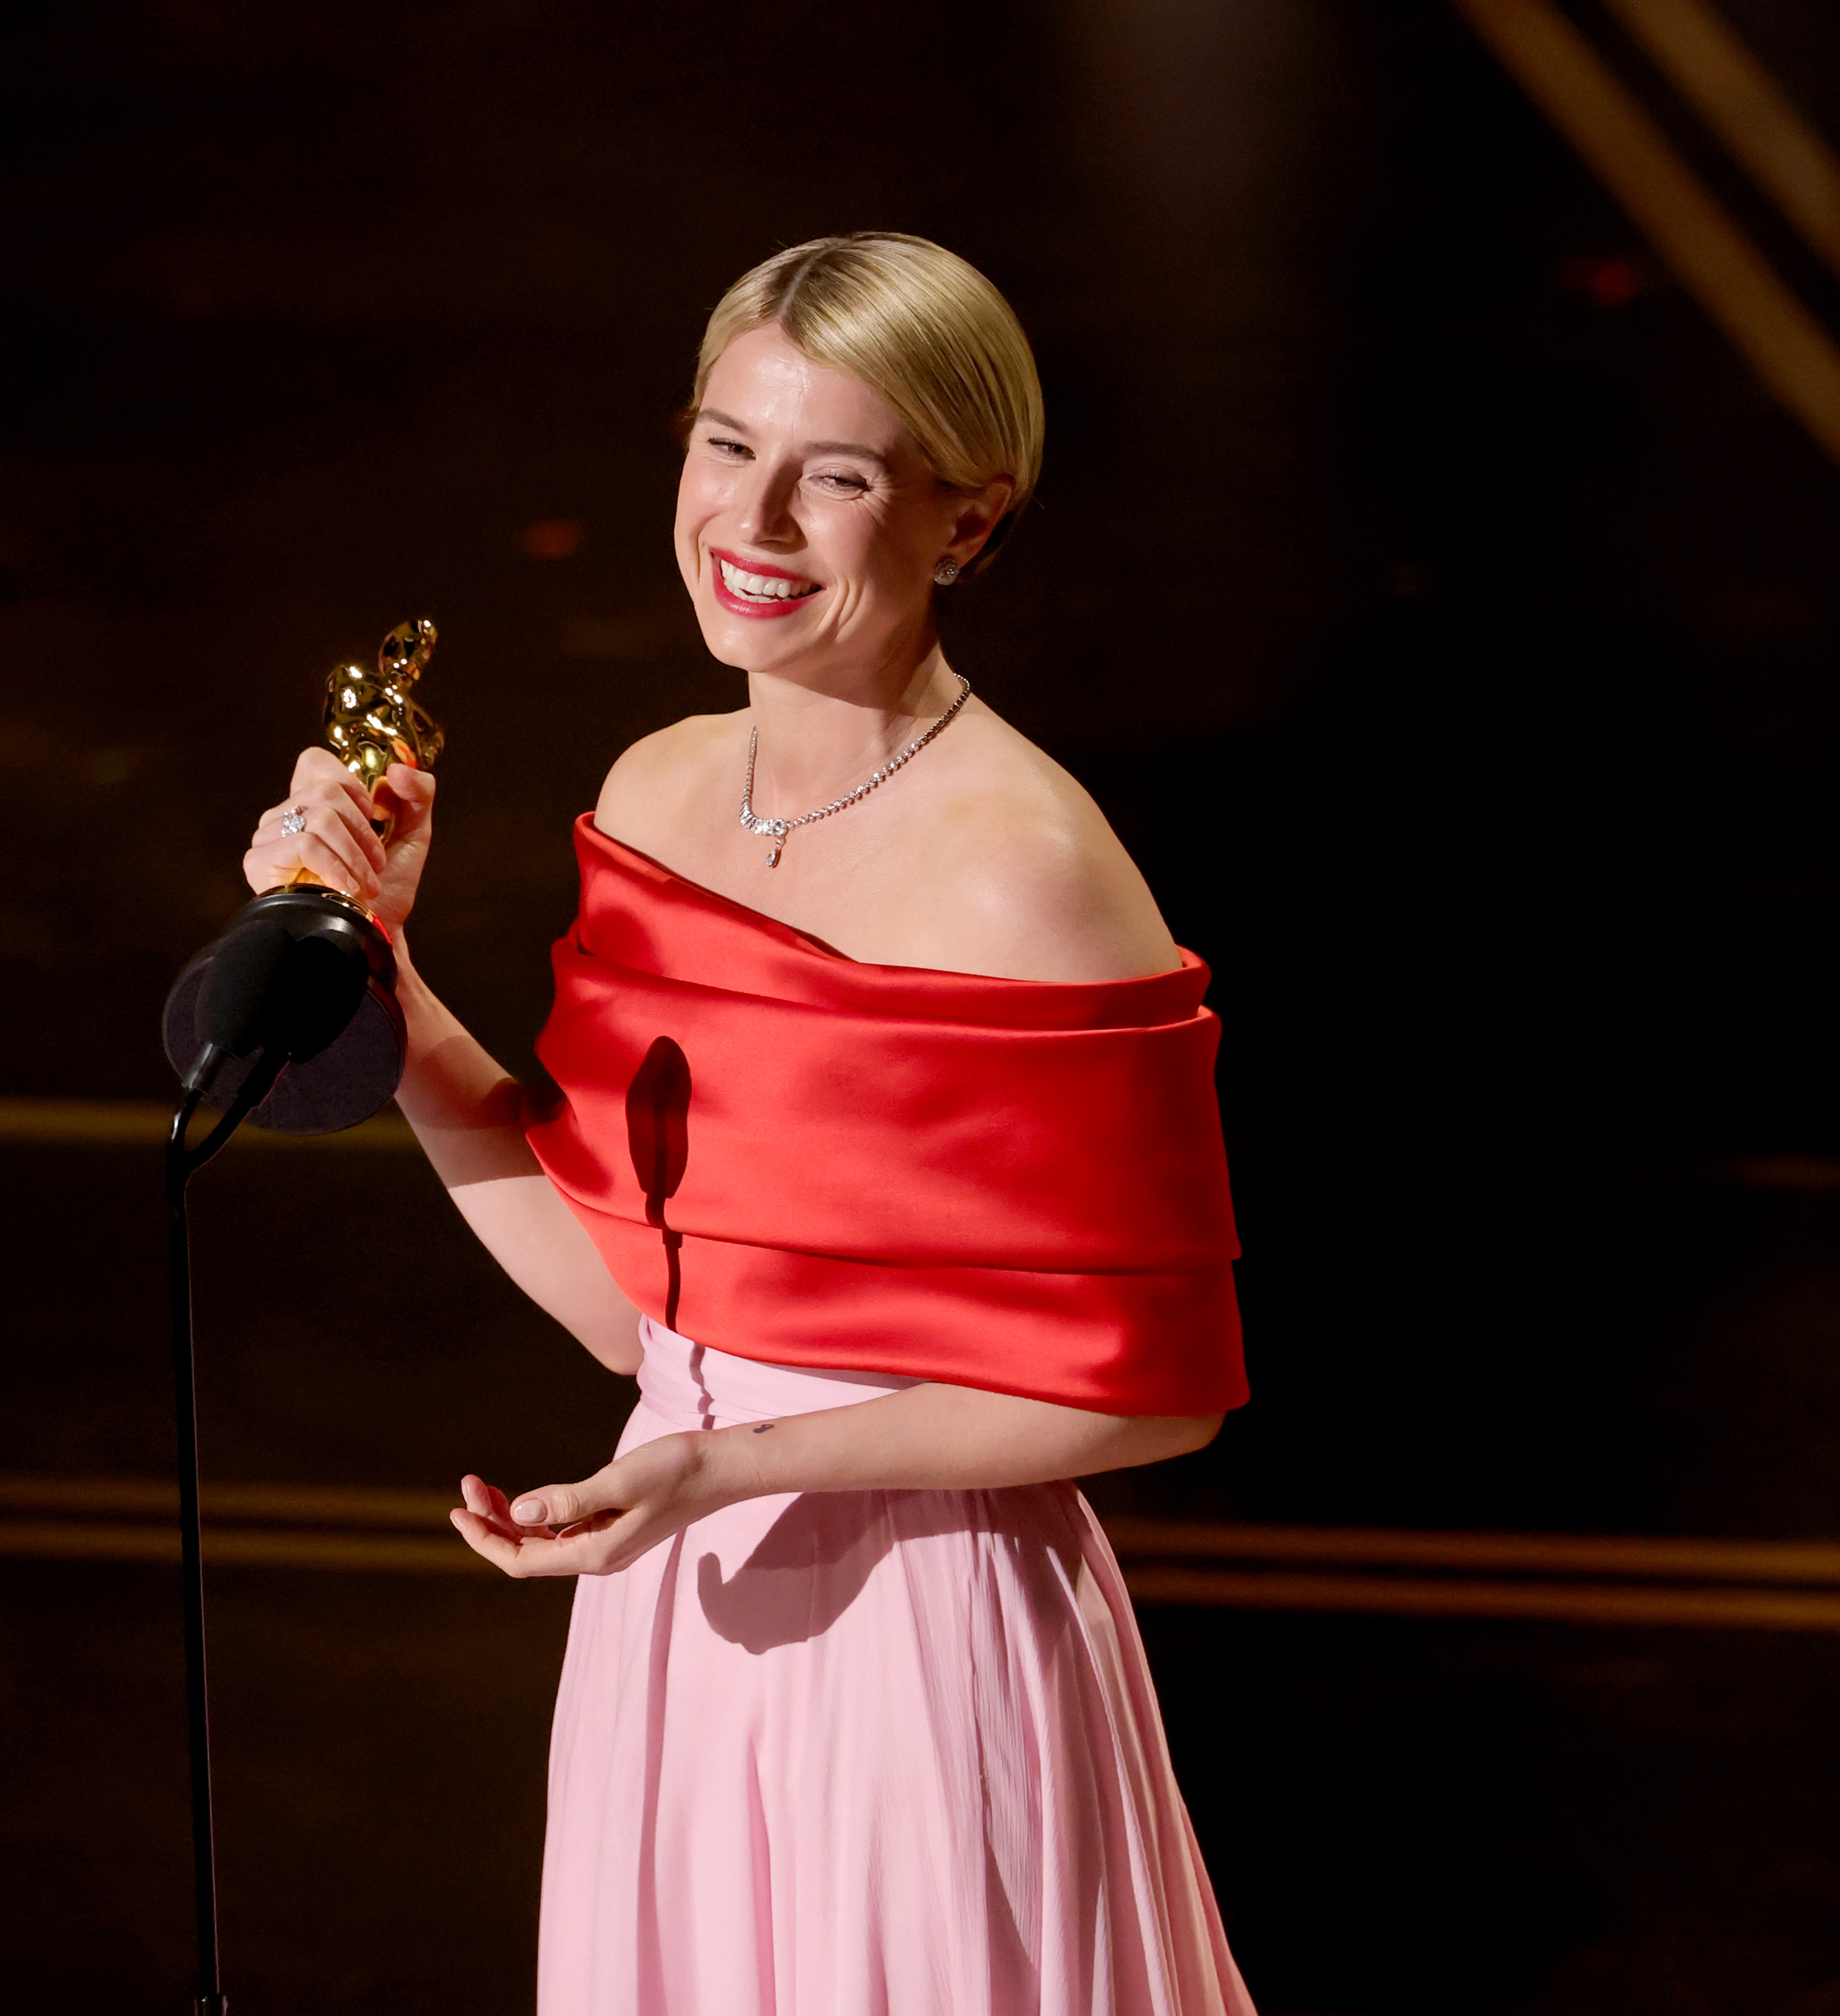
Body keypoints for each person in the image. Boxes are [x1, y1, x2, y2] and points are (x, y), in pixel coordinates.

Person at [240, 232, 1256, 2014]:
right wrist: (384, 982)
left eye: (839, 475)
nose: (756, 522)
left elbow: (1149, 1386)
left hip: (924, 1637)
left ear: (970, 520)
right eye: (727, 446)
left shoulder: (1028, 874)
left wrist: (723, 1466)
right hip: (677, 1605)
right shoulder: (661, 785)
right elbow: (645, 1309)